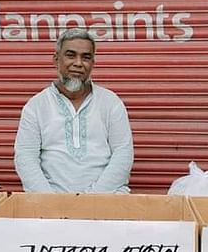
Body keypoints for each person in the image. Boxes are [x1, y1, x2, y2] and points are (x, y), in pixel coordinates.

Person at [14, 28, 134, 193]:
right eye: (70, 55)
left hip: (107, 197)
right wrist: (51, 202)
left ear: (93, 63)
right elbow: (25, 157)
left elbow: (123, 154)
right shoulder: (36, 106)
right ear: (56, 60)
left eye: (86, 57)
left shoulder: (111, 103)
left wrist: (92, 199)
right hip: (50, 201)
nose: (78, 63)